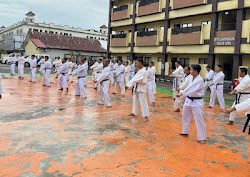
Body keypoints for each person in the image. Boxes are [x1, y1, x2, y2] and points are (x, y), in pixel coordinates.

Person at [176, 64, 206, 144]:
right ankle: (184, 131)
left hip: (196, 101)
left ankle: (202, 137)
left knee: (199, 119)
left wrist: (181, 93)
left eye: (192, 70)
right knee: (185, 116)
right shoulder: (190, 77)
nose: (190, 71)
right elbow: (186, 85)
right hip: (188, 100)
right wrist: (180, 88)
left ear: (195, 71)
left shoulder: (199, 80)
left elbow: (191, 89)